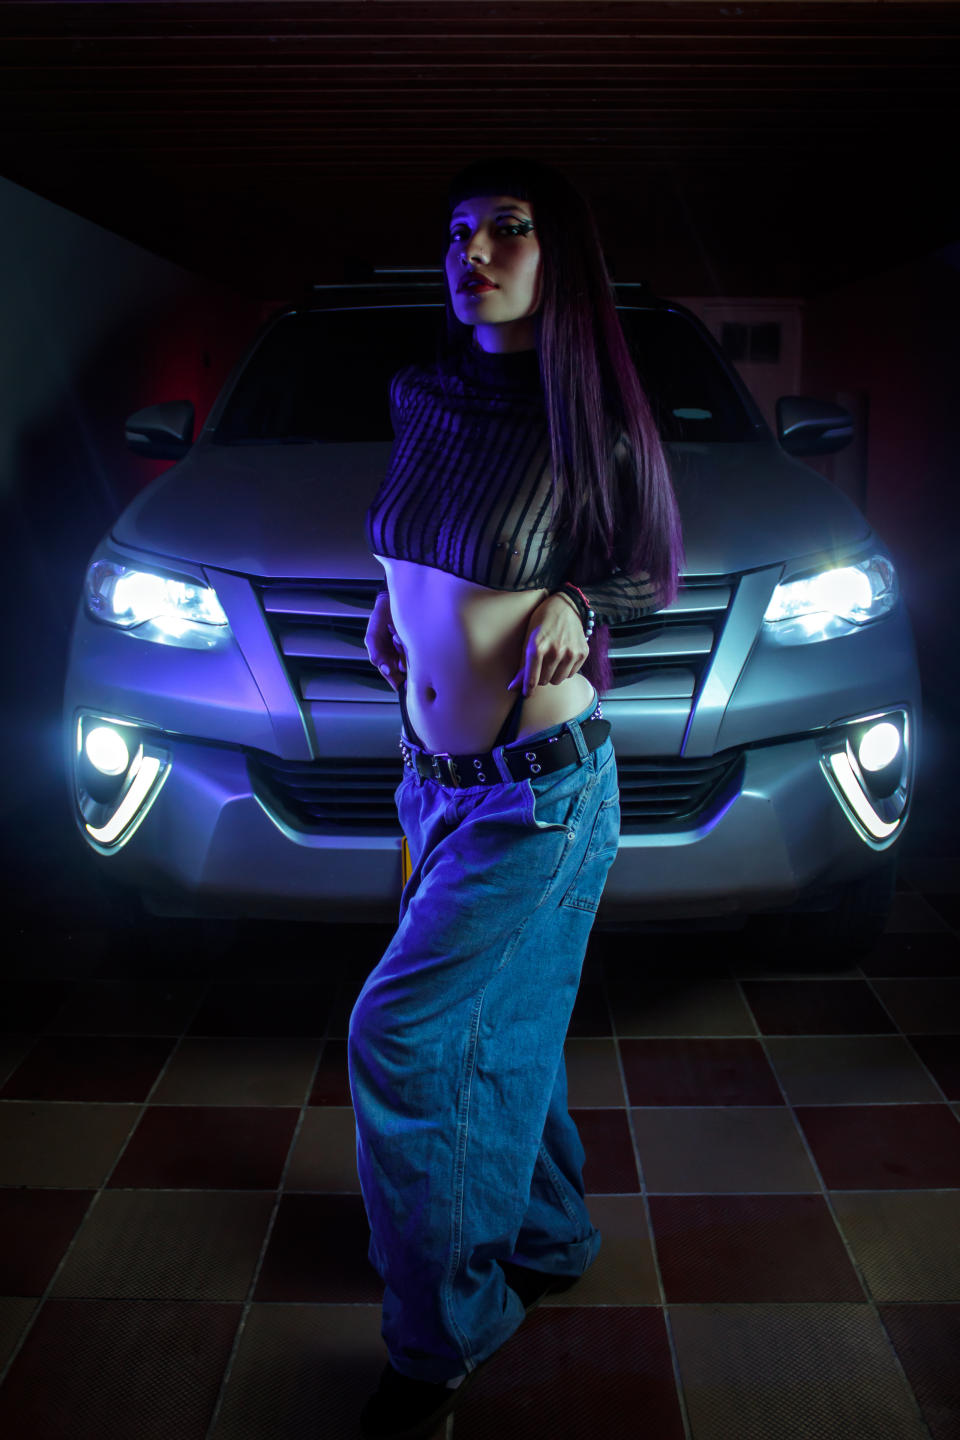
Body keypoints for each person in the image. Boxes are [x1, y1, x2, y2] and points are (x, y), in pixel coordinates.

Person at [349, 155, 683, 1440]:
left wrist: (579, 600)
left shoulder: (588, 419)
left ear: (561, 257)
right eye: (458, 231)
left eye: (508, 229)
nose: (474, 251)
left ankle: (440, 1339)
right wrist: (395, 611)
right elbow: (420, 537)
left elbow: (646, 567)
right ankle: (548, 1235)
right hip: (430, 784)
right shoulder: (421, 394)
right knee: (504, 1023)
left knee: (406, 1035)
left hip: (539, 797)